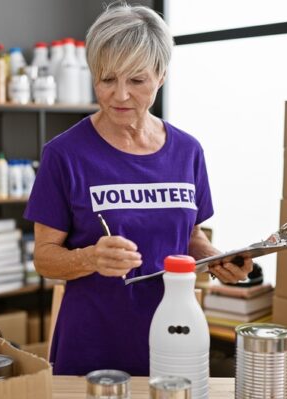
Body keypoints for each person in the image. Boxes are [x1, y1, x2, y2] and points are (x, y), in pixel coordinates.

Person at [24, 2, 253, 376]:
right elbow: (44, 257)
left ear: (161, 75)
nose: (120, 95)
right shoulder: (64, 154)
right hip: (91, 343)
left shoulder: (188, 151)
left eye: (136, 80)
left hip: (174, 335)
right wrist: (90, 258)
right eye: (107, 79)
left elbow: (190, 235)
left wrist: (216, 258)